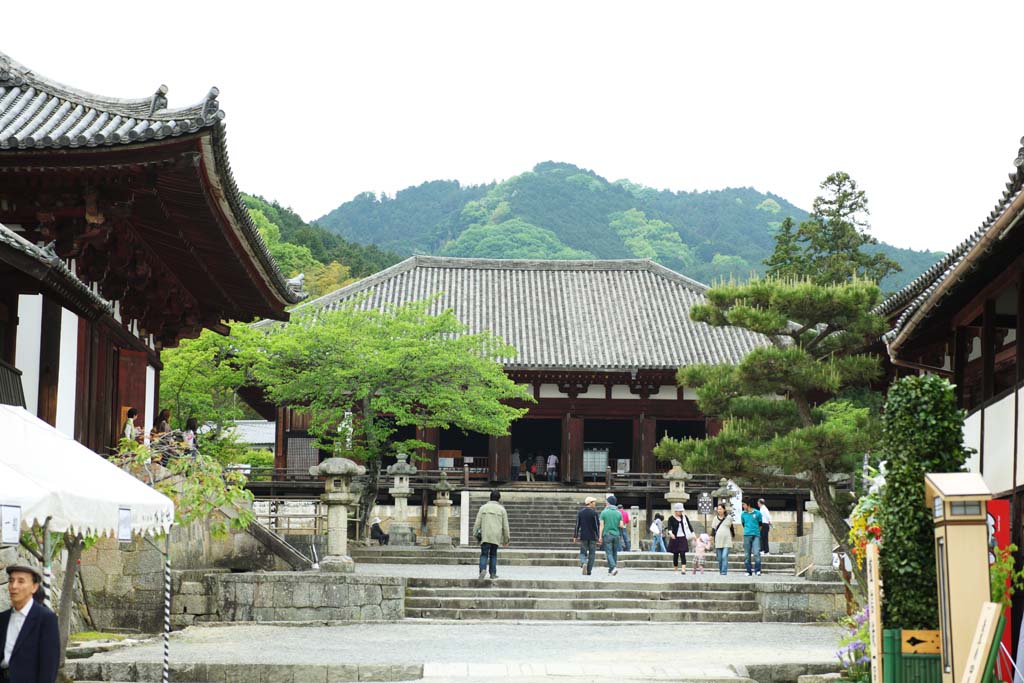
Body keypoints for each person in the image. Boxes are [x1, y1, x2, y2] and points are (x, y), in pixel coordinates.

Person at [1, 564, 59, 683]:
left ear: (34, 587)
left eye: (21, 581)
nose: (14, 586)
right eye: (11, 581)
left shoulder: (46, 619)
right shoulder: (3, 618)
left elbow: (49, 665)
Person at [473, 490, 510, 580]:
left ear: (490, 497)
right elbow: (505, 526)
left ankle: (482, 570)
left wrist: (475, 534)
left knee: (484, 554)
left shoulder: (483, 508)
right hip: (496, 536)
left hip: (485, 535)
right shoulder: (502, 510)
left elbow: (477, 523)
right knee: (493, 554)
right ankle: (493, 573)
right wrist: (506, 539)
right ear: (499, 499)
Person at [573, 496, 600, 575]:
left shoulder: (580, 512)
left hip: (583, 536)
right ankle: (588, 571)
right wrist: (599, 536)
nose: (595, 504)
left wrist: (575, 536)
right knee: (592, 554)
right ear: (590, 503)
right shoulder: (594, 513)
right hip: (592, 537)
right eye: (594, 502)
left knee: (582, 552)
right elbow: (596, 526)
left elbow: (577, 525)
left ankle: (583, 562)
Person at [597, 495, 622, 576]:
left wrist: (600, 537)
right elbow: (621, 525)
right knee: (615, 552)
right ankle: (611, 571)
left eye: (606, 501)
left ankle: (613, 567)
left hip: (607, 534)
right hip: (616, 535)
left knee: (609, 553)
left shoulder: (604, 512)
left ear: (608, 502)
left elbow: (601, 526)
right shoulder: (619, 513)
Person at [666, 502, 693, 574]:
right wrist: (671, 533)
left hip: (683, 537)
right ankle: (675, 569)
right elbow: (669, 527)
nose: (681, 512)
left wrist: (693, 534)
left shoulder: (684, 517)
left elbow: (689, 526)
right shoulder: (671, 518)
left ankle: (683, 569)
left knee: (682, 553)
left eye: (681, 511)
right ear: (676, 511)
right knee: (675, 554)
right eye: (679, 511)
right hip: (675, 538)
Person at [741, 499, 763, 576]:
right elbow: (743, 524)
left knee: (756, 552)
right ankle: (748, 570)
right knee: (747, 554)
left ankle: (757, 570)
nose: (743, 506)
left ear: (748, 504)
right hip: (747, 535)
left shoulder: (758, 513)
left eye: (744, 504)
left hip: (756, 535)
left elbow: (760, 525)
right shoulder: (743, 514)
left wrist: (756, 532)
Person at [712, 503, 734, 575]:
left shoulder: (729, 517)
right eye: (718, 509)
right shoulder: (715, 518)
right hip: (718, 540)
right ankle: (721, 570)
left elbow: (731, 527)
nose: (719, 510)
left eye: (721, 509)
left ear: (724, 509)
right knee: (719, 558)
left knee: (724, 556)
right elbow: (713, 529)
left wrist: (733, 535)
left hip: (727, 540)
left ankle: (724, 572)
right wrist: (712, 537)